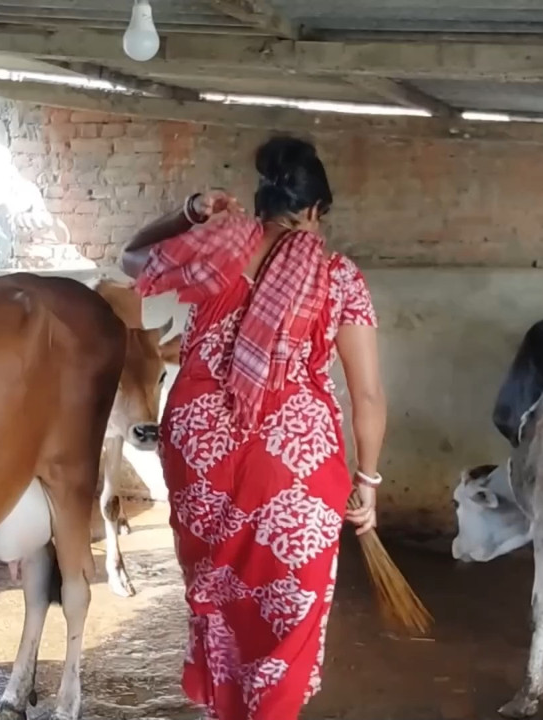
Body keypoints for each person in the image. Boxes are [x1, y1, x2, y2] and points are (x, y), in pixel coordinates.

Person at [121, 136, 387, 720]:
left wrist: (189, 212)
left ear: (261, 201)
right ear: (316, 211)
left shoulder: (216, 248)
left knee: (217, 601)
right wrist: (366, 480)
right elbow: (366, 394)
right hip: (294, 466)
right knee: (286, 620)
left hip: (199, 459)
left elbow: (131, 259)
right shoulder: (337, 275)